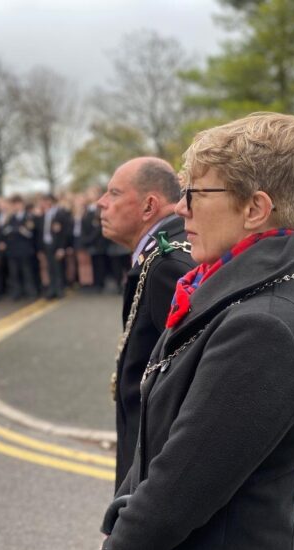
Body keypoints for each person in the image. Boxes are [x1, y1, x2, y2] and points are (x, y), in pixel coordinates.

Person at [97, 113, 294, 550]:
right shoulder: (230, 289)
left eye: (196, 193)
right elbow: (162, 429)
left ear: (256, 208)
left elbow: (186, 477)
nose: (180, 208)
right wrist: (125, 515)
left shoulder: (266, 324)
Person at [96, 157, 195, 490]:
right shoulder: (157, 255)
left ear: (149, 205)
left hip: (152, 465)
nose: (101, 202)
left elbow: (182, 384)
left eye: (113, 193)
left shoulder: (168, 264)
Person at [1, 195, 37, 300]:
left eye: (18, 204)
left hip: (25, 249)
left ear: (22, 204)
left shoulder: (28, 217)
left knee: (27, 271)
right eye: (14, 204)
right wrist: (17, 230)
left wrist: (17, 230)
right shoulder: (11, 217)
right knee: (14, 272)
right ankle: (17, 291)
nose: (16, 206)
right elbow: (5, 231)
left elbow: (30, 233)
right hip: (12, 249)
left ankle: (30, 291)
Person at [37, 194, 73, 299]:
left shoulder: (60, 214)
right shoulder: (44, 215)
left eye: (44, 201)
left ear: (50, 201)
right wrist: (40, 248)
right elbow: (41, 232)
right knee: (50, 268)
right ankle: (51, 290)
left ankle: (59, 289)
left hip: (57, 245)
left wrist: (62, 248)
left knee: (58, 268)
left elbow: (65, 233)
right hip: (47, 245)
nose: (42, 204)